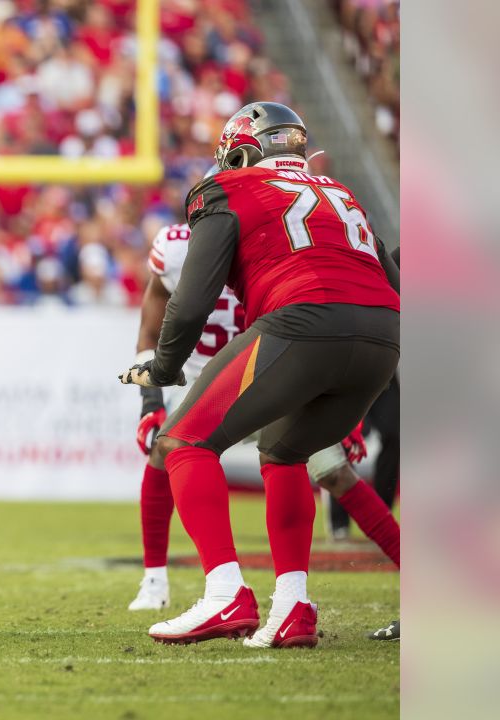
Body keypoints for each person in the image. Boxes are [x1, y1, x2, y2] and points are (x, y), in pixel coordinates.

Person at [119, 102, 400, 648]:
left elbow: (193, 298)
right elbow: (392, 277)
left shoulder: (226, 189)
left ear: (242, 151)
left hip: (302, 322)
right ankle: (292, 606)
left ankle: (225, 594)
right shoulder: (340, 193)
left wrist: (165, 367)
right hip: (383, 336)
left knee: (184, 442)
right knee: (285, 453)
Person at [129, 218, 400, 612]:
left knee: (332, 472)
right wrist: (150, 404)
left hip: (270, 366)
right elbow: (150, 332)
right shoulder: (175, 247)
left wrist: (342, 416)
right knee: (165, 448)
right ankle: (155, 580)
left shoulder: (281, 244)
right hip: (199, 371)